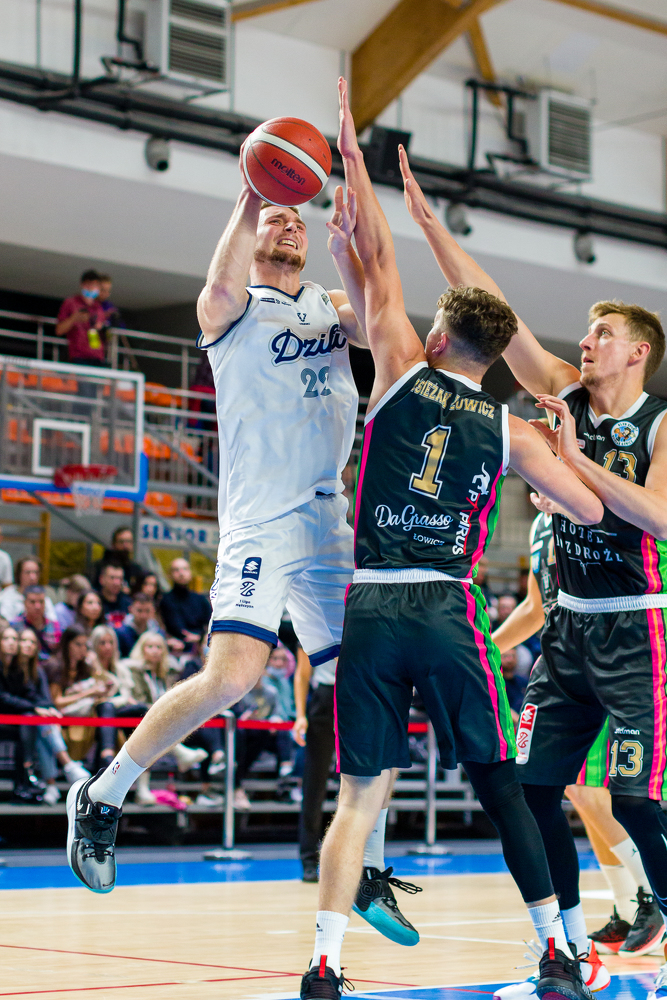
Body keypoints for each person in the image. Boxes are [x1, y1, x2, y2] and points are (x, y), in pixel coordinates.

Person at [297, 79, 606, 1000]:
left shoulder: (397, 365)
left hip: (372, 602)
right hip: (447, 608)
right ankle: (554, 951)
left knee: (359, 797)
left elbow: (374, 259)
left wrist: (351, 161)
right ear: (493, 357)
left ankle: (324, 965)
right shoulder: (509, 430)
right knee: (502, 788)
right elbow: (588, 512)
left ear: (436, 336)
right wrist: (559, 441)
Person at [63, 113, 405, 933]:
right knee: (231, 679)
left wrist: (352, 239)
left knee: (373, 684)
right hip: (262, 522)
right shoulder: (232, 308)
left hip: (328, 522)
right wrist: (254, 193)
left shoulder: (327, 305)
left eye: (296, 218)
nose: (289, 225)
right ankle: (103, 794)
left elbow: (386, 322)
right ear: (253, 232)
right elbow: (217, 287)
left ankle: (364, 860)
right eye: (275, 218)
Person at [401, 132, 667, 999]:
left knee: (634, 801)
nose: (584, 343)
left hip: (636, 628)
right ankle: (566, 950)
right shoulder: (561, 387)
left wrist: (575, 462)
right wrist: (432, 228)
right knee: (532, 788)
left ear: (637, 352)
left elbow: (658, 517)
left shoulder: (659, 424)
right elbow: (497, 312)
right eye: (586, 334)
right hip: (567, 633)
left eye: (602, 335)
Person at [492, 511, 663, 963]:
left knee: (604, 794)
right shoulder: (539, 526)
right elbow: (534, 608)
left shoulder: (610, 506)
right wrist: (488, 648)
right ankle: (626, 904)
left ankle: (647, 896)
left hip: (621, 646)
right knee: (566, 794)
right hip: (566, 647)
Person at [2, 627, 90, 804]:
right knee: (39, 721)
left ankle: (51, 784)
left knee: (43, 723)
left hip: (27, 718)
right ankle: (66, 765)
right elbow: (6, 698)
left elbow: (40, 698)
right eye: (22, 640)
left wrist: (48, 709)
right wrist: (37, 708)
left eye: (32, 642)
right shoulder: (12, 668)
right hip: (12, 716)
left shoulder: (35, 670)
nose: (25, 645)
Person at [122, 633, 206, 804]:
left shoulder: (166, 673)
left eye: (159, 647)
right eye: (150, 647)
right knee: (149, 726)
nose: (155, 651)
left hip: (155, 721)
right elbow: (137, 700)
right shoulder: (133, 670)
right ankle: (179, 752)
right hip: (134, 717)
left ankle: (143, 790)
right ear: (141, 649)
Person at [55, 270, 107, 366]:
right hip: (78, 355)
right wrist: (74, 318)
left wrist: (100, 326)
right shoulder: (71, 303)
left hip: (97, 356)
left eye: (94, 286)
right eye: (88, 285)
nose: (91, 289)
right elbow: (59, 330)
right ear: (82, 285)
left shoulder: (98, 307)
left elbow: (101, 331)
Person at [158, 558, 210, 652]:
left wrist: (200, 637)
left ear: (190, 573)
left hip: (201, 645)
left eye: (185, 569)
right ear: (169, 575)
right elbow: (165, 627)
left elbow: (211, 624)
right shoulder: (165, 600)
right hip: (174, 646)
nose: (181, 573)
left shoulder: (200, 600)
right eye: (176, 570)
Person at [0, 557, 58, 624]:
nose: (32, 577)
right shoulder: (7, 596)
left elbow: (53, 623)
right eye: (28, 572)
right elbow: (4, 622)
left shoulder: (44, 597)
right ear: (19, 574)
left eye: (36, 572)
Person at [11, 586, 61, 661]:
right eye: (32, 602)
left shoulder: (54, 626)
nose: (38, 606)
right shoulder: (15, 626)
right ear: (24, 603)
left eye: (41, 602)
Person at [91, 527, 144, 594]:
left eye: (128, 541)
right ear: (114, 544)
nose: (125, 546)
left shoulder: (136, 569)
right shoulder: (100, 567)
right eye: (121, 542)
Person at [96, 564, 131, 628]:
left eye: (120, 578)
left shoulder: (128, 602)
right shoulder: (95, 601)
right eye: (112, 578)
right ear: (101, 579)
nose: (116, 583)